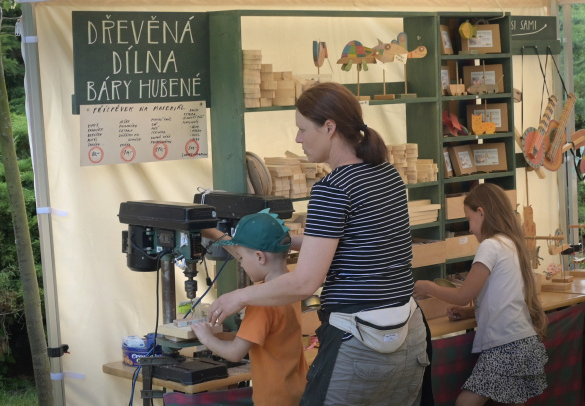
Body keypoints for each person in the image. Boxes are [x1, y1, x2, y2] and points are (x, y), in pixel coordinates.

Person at [205, 82, 432, 405]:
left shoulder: (332, 188)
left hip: (362, 342)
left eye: (302, 129)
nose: (298, 139)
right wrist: (293, 241)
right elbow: (359, 242)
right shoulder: (387, 174)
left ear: (329, 127)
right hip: (410, 334)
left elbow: (305, 283)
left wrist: (237, 297)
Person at [414, 183, 548, 406]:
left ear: (481, 212)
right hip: (522, 341)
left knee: (465, 403)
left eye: (469, 219)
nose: (470, 228)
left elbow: (463, 295)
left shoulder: (490, 246)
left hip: (505, 345)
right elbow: (503, 299)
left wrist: (428, 287)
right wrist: (469, 312)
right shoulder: (510, 244)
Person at [191, 209, 308, 406]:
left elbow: (235, 353)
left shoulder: (260, 303)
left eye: (242, 259)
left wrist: (207, 338)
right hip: (297, 392)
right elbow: (266, 338)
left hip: (272, 400)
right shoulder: (289, 286)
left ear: (260, 257)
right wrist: (212, 233)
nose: (241, 264)